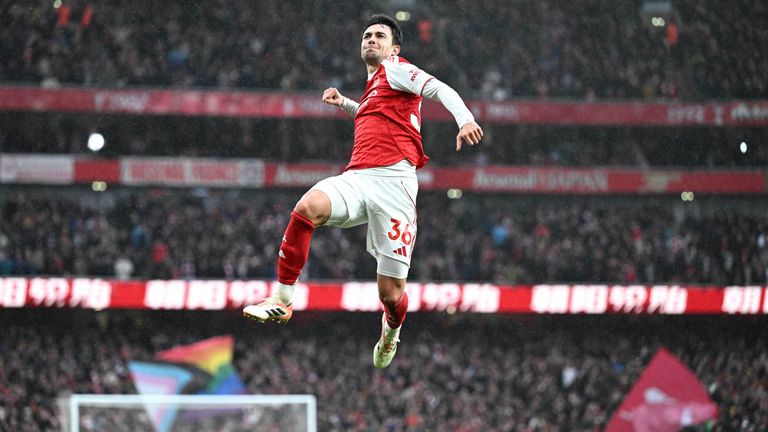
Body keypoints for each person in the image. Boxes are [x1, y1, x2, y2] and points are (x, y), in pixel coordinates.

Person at [244, 14, 483, 368]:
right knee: (306, 207)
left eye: (379, 36)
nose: (371, 39)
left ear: (394, 48)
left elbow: (439, 89)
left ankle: (391, 330)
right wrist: (345, 104)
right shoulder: (375, 86)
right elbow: (371, 116)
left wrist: (465, 119)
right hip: (357, 178)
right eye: (367, 35)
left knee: (390, 294)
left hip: (395, 187)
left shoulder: (396, 68)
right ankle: (281, 300)